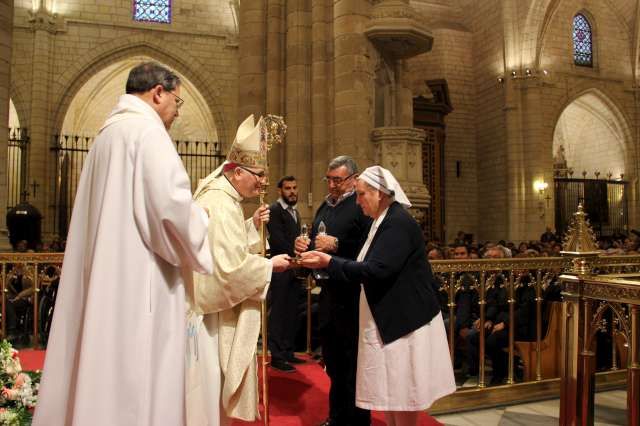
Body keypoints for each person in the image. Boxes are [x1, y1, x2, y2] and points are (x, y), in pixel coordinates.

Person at [33, 62, 214, 426]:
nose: (178, 112)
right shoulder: (148, 134)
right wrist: (204, 220)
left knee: (100, 365)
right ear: (157, 93)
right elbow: (171, 210)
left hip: (107, 280)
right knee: (137, 375)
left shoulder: (107, 135)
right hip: (140, 286)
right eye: (178, 102)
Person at [300, 166, 456, 426]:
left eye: (361, 195)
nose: (358, 201)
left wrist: (329, 262)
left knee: (405, 391)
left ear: (380, 194)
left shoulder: (397, 223)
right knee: (394, 391)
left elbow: (377, 269)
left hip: (406, 322)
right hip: (393, 320)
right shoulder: (382, 220)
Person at [185, 115, 291, 425]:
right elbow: (227, 271)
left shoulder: (224, 198)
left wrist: (250, 227)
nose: (263, 182)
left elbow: (220, 246)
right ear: (235, 170)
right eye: (258, 174)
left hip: (209, 310)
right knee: (208, 397)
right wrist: (269, 266)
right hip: (211, 319)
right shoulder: (219, 202)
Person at [294, 155, 372, 426]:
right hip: (328, 291)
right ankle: (337, 416)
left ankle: (358, 420)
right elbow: (316, 240)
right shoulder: (325, 207)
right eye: (329, 180)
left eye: (337, 180)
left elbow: (368, 249)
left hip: (352, 293)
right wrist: (303, 246)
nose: (332, 185)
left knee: (353, 363)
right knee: (333, 360)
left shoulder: (361, 206)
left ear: (353, 179)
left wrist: (338, 245)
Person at [267, 175, 306, 372]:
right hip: (280, 267)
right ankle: (277, 355)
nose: (292, 191)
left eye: (294, 187)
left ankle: (288, 351)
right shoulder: (275, 210)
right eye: (288, 188)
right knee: (279, 312)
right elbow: (277, 241)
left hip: (293, 268)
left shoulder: (294, 212)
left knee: (292, 311)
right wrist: (296, 253)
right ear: (280, 191)